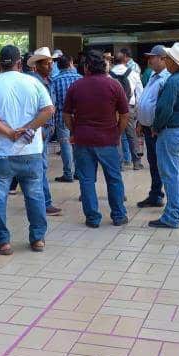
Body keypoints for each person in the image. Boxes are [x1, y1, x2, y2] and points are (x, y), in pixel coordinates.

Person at [0, 45, 54, 255]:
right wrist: (29, 129)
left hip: (1, 153)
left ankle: (1, 241)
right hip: (31, 151)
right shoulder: (33, 82)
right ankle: (38, 239)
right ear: (19, 63)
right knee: (35, 195)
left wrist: (10, 133)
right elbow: (49, 110)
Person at [64, 50, 129, 228]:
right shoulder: (114, 85)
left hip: (83, 140)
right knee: (114, 178)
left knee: (86, 180)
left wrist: (75, 130)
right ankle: (119, 215)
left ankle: (92, 218)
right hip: (108, 140)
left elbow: (66, 114)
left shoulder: (76, 86)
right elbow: (125, 114)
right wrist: (117, 132)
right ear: (104, 66)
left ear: (86, 67)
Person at [148, 43, 179, 229]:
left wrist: (156, 127)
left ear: (173, 62)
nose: (165, 62)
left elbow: (164, 109)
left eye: (167, 59)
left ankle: (172, 215)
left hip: (173, 132)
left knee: (171, 175)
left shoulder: (173, 81)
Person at [27, 47, 63, 215]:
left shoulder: (49, 80)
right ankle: (44, 202)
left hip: (47, 128)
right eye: (47, 63)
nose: (51, 66)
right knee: (40, 166)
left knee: (40, 165)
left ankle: (39, 200)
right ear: (37, 65)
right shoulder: (34, 82)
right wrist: (38, 127)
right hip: (40, 128)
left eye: (51, 63)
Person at [135, 45, 169, 208]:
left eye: (153, 57)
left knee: (162, 165)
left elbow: (164, 108)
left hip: (158, 130)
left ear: (163, 59)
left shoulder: (167, 78)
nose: (150, 60)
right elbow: (146, 100)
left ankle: (165, 197)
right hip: (149, 128)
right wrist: (141, 121)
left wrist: (156, 126)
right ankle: (155, 194)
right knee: (154, 163)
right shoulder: (153, 76)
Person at [49, 55, 81, 182]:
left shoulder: (54, 81)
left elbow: (53, 102)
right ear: (71, 63)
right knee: (78, 144)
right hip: (79, 117)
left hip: (62, 116)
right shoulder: (80, 79)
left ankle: (68, 173)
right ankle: (79, 172)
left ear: (58, 66)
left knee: (66, 145)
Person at [110, 48, 144, 170]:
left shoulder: (109, 75)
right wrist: (138, 111)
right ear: (125, 60)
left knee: (116, 135)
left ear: (114, 61)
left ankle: (119, 163)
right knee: (131, 134)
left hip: (113, 109)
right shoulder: (133, 73)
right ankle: (136, 162)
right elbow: (140, 93)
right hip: (129, 107)